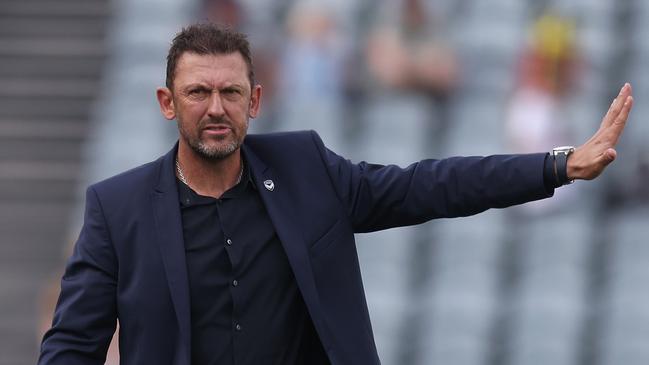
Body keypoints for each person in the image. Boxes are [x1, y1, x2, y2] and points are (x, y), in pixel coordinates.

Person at [38, 23, 633, 365]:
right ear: (168, 103)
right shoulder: (117, 211)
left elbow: (431, 186)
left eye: (230, 92)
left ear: (256, 100)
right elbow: (70, 348)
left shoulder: (306, 171)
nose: (215, 108)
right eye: (197, 93)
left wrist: (557, 165)